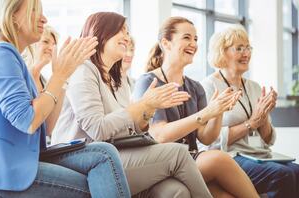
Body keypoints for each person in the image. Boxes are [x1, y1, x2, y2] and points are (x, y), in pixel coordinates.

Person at [51, 12, 213, 198]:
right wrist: (142, 104)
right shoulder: (83, 70)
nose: (127, 38)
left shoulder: (117, 78)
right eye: (122, 31)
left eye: (128, 32)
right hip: (84, 157)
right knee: (178, 154)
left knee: (175, 191)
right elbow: (98, 129)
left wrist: (148, 110)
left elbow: (126, 128)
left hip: (114, 153)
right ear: (101, 33)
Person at [0, 1, 131, 197]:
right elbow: (28, 121)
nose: (44, 18)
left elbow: (47, 125)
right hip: (1, 169)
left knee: (104, 152)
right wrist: (59, 75)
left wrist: (63, 78)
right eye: (35, 11)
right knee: (96, 180)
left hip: (22, 159)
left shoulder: (12, 57)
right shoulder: (0, 52)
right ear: (12, 15)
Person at [133, 17, 259, 198]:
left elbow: (207, 138)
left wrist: (218, 112)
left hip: (189, 159)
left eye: (195, 39)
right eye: (186, 38)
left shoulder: (195, 87)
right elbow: (159, 135)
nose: (193, 43)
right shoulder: (148, 82)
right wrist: (206, 112)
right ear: (165, 43)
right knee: (218, 158)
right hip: (162, 163)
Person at [201, 24, 299, 198]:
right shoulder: (208, 87)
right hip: (230, 157)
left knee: (296, 171)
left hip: (260, 155)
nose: (246, 53)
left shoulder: (254, 87)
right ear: (222, 52)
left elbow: (268, 139)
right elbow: (211, 141)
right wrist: (251, 123)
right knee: (284, 175)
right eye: (239, 48)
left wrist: (264, 116)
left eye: (248, 47)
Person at [25, 25, 59, 92]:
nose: (51, 48)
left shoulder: (46, 82)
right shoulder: (19, 76)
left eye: (54, 45)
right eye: (45, 42)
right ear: (32, 44)